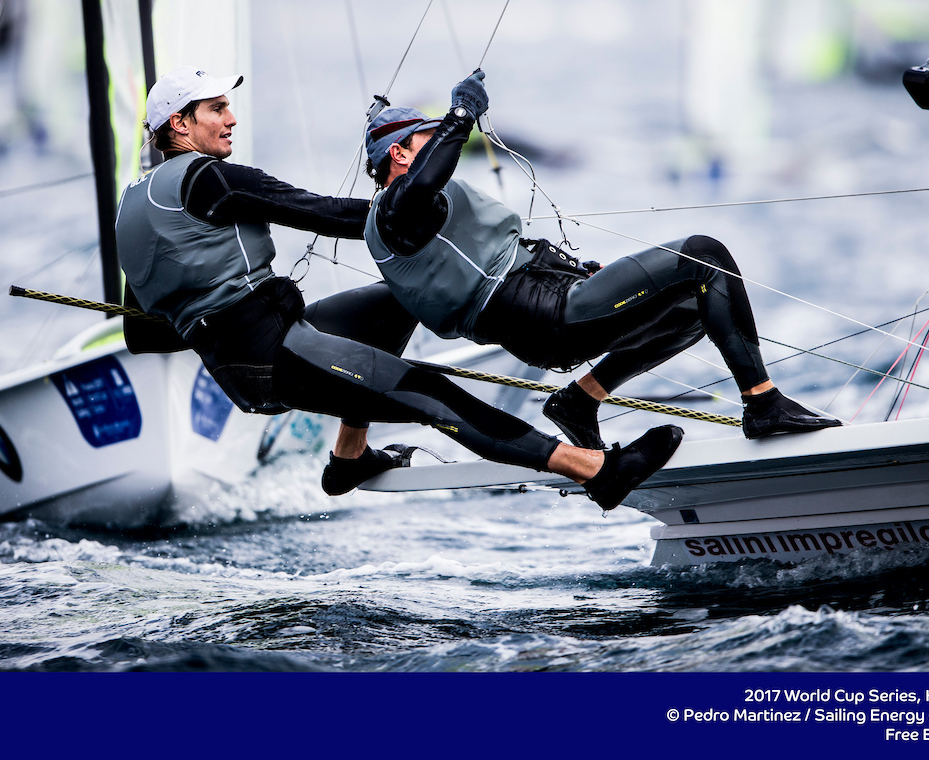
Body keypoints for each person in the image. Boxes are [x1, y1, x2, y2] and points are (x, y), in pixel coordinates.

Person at [114, 65, 683, 510]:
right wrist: (409, 215)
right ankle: (599, 472)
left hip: (245, 355)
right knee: (435, 396)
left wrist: (211, 315)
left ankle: (350, 459)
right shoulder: (207, 176)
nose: (231, 118)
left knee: (393, 303)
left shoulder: (131, 207)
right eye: (216, 109)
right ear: (180, 126)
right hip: (275, 350)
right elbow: (328, 214)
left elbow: (143, 335)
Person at [362, 70, 842, 449]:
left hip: (547, 307)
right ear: (400, 154)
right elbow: (425, 181)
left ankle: (579, 402)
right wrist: (460, 115)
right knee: (703, 255)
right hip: (543, 314)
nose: (444, 146)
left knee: (693, 311)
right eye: (426, 138)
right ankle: (763, 404)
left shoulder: (404, 213)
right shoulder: (401, 203)